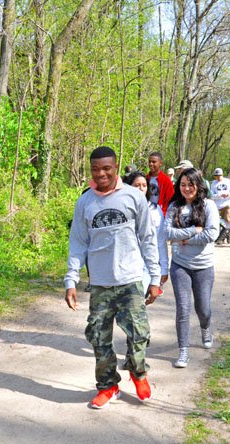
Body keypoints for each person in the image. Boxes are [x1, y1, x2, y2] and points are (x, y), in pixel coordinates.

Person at [65, 146, 160, 409]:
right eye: (95, 169)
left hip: (130, 280)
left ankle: (138, 372)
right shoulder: (85, 202)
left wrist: (155, 277)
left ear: (116, 167)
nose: (101, 174)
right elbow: (77, 244)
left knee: (139, 333)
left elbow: (148, 238)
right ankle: (108, 386)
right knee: (98, 337)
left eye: (106, 168)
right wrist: (71, 281)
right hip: (100, 284)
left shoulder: (133, 197)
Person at [166, 168, 220, 368]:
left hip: (204, 267)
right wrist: (190, 231)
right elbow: (166, 232)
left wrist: (185, 238)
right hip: (180, 265)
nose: (186, 188)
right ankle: (183, 351)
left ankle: (205, 328)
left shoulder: (209, 206)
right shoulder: (174, 207)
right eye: (183, 184)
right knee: (183, 308)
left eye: (191, 184)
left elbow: (211, 234)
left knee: (203, 308)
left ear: (199, 185)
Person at [209, 168, 230, 244]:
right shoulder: (213, 183)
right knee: (219, 223)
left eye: (219, 175)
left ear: (222, 175)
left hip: (227, 205)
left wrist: (228, 194)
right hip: (217, 206)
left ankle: (225, 237)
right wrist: (219, 195)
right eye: (216, 176)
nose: (218, 177)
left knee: (228, 222)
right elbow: (211, 195)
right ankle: (221, 238)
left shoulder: (229, 182)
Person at [146, 151, 175, 216]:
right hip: (146, 212)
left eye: (154, 162)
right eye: (149, 161)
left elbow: (170, 200)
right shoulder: (145, 178)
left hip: (159, 214)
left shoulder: (166, 181)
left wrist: (163, 213)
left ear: (160, 163)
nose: (151, 164)